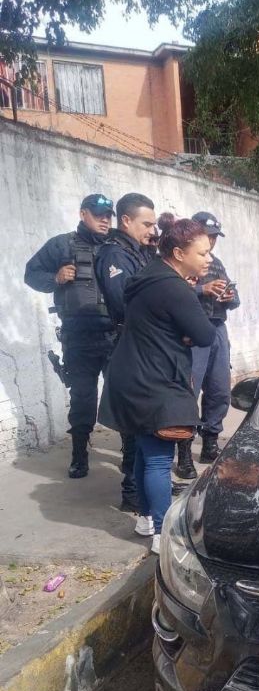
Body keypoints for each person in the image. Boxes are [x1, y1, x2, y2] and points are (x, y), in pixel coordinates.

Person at [100, 214, 216, 553]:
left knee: (144, 449)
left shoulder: (147, 277)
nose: (208, 259)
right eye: (202, 253)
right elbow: (206, 334)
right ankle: (163, 532)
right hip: (152, 380)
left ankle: (146, 518)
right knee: (158, 458)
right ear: (179, 254)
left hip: (129, 375)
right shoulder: (174, 288)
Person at [24, 193, 116, 480]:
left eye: (108, 214)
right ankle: (79, 455)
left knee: (123, 397)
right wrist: (55, 277)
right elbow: (31, 274)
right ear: (83, 214)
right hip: (79, 337)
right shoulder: (62, 244)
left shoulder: (117, 245)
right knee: (83, 399)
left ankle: (130, 455)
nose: (104, 219)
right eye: (98, 213)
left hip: (116, 335)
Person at [95, 193, 157, 512]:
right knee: (134, 425)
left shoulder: (139, 253)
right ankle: (132, 491)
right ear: (126, 221)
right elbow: (125, 305)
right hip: (130, 346)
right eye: (147, 224)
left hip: (144, 345)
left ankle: (148, 482)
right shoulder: (115, 256)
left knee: (148, 421)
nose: (152, 230)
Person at [174, 211, 241, 479]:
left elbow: (234, 301)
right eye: (208, 236)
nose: (211, 243)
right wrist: (203, 289)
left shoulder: (217, 263)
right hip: (191, 331)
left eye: (214, 238)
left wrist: (229, 295)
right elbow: (171, 292)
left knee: (219, 388)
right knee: (189, 390)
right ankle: (183, 452)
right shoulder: (180, 262)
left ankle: (210, 442)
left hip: (216, 328)